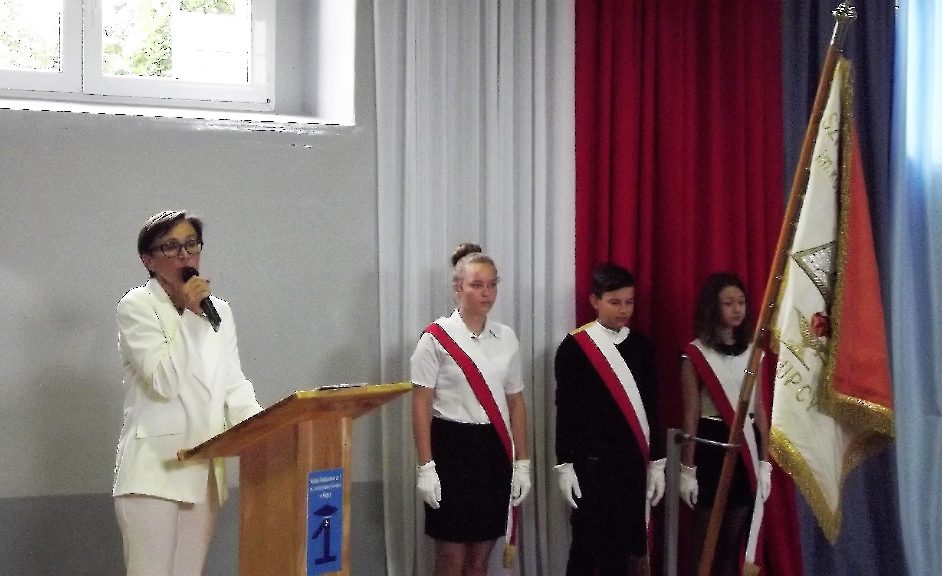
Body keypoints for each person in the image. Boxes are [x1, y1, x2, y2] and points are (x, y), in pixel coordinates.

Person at [112, 210, 263, 576]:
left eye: (191, 244)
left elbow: (232, 382)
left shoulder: (219, 310)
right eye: (171, 246)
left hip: (203, 469)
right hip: (154, 471)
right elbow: (165, 381)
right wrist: (193, 317)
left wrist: (265, 431)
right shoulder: (137, 306)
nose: (184, 254)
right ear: (148, 260)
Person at [410, 243, 531, 576]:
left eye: (492, 285)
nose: (486, 293)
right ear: (458, 287)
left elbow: (516, 401)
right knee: (450, 556)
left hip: (493, 449)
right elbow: (420, 404)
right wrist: (426, 466)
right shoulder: (435, 338)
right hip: (451, 448)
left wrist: (523, 462)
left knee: (480, 556)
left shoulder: (506, 337)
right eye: (477, 285)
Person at [554, 263, 664, 576]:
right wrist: (564, 464)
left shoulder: (641, 347)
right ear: (595, 301)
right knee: (586, 548)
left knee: (623, 549)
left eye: (629, 302)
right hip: (591, 464)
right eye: (614, 302)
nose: (623, 310)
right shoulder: (575, 347)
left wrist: (657, 462)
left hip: (631, 464)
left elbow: (651, 407)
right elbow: (566, 411)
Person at [679, 272, 772, 576]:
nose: (737, 309)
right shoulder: (695, 354)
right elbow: (690, 415)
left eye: (741, 302)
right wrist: (688, 469)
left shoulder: (753, 350)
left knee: (732, 544)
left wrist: (765, 463)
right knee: (705, 544)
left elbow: (760, 409)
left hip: (745, 447)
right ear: (712, 307)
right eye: (728, 303)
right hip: (711, 446)